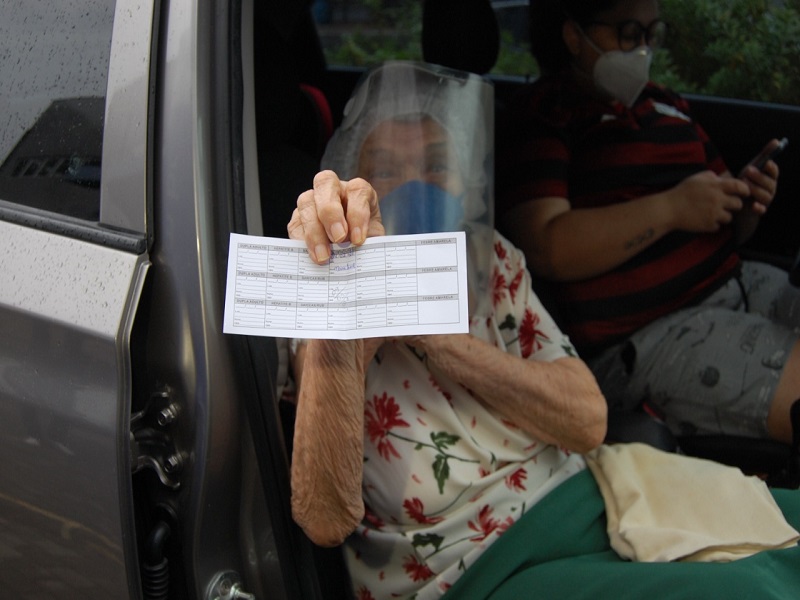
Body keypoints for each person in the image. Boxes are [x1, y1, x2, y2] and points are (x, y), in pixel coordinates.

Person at [287, 61, 800, 600]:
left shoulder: (492, 263)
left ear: (465, 184)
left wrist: (439, 337)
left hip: (598, 498)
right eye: (386, 169)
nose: (417, 184)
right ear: (356, 184)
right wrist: (345, 310)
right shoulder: (324, 279)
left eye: (438, 165)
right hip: (479, 566)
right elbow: (324, 518)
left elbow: (587, 421)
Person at [496, 0, 800, 443]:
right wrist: (672, 208)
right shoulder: (545, 114)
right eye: (627, 34)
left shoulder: (667, 104)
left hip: (737, 280)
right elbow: (546, 246)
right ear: (573, 35)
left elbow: (728, 228)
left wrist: (743, 204)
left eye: (650, 34)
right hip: (648, 334)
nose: (642, 49)